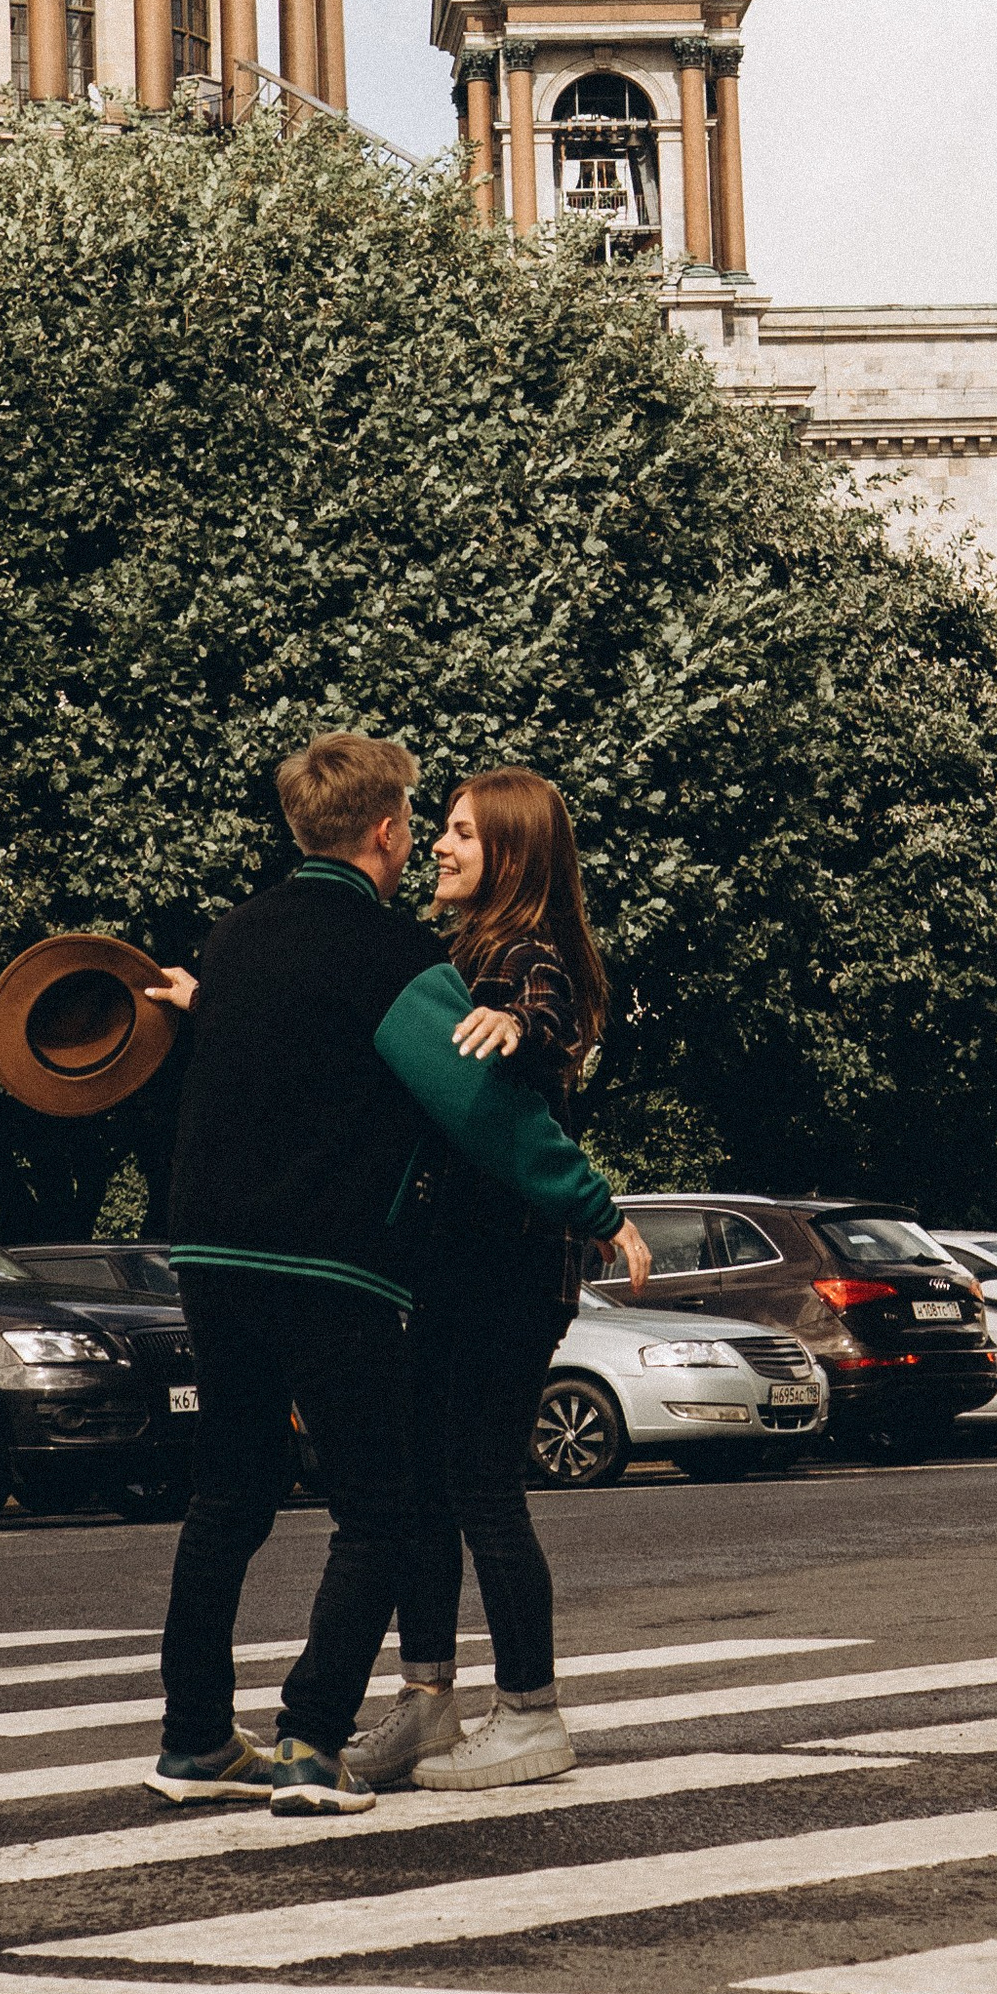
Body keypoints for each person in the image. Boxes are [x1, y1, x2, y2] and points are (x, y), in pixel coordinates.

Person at [149, 731, 621, 1819]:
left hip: (208, 1256)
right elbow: (475, 1105)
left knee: (226, 1495)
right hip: (329, 1264)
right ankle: (313, 1742)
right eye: (422, 821)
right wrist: (594, 1207)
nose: (425, 839)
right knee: (387, 1506)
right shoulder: (389, 956)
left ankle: (191, 1741)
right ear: (385, 830)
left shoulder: (234, 940)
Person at [347, 769, 650, 1795]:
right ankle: (426, 1700)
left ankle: (530, 1712)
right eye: (440, 829)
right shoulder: (453, 956)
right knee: (425, 1481)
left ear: (513, 855)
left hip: (513, 1266)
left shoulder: (527, 958)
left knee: (479, 1480)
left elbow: (551, 1014)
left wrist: (521, 1031)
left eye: (464, 834)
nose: (440, 846)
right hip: (444, 1264)